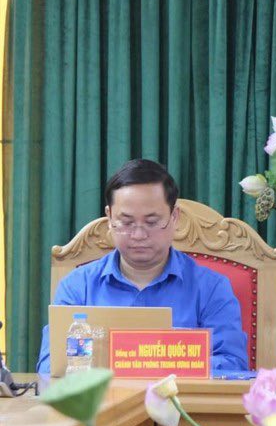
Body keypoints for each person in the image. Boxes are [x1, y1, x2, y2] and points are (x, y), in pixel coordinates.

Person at [37, 159, 248, 373]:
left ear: (174, 217)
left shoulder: (210, 288)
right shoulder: (77, 287)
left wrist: (148, 363)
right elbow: (50, 367)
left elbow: (233, 365)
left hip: (180, 396)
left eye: (152, 222)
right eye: (127, 223)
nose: (138, 235)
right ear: (109, 217)